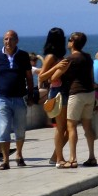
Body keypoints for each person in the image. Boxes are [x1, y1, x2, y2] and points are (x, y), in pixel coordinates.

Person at [0, 30, 36, 170]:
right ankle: (5, 160)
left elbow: (29, 77)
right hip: (2, 98)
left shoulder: (23, 56)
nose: (8, 41)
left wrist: (31, 95)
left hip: (20, 98)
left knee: (20, 128)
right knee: (3, 129)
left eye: (11, 39)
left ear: (17, 40)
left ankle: (19, 154)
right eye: (6, 39)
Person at [48, 31, 97, 168]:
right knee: (87, 126)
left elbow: (53, 78)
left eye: (70, 39)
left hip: (76, 94)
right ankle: (92, 156)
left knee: (71, 127)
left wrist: (55, 68)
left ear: (73, 43)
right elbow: (92, 76)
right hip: (90, 93)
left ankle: (73, 158)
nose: (68, 41)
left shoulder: (70, 59)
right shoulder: (87, 57)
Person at [37, 27, 69, 165]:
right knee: (61, 127)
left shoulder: (59, 57)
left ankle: (55, 156)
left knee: (68, 129)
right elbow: (41, 76)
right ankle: (59, 158)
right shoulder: (51, 57)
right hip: (57, 92)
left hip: (64, 91)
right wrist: (56, 67)